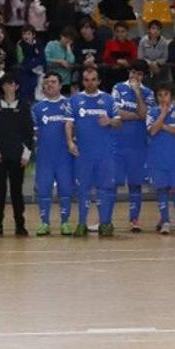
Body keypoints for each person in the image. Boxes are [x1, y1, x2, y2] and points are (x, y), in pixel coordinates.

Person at [66, 67, 121, 237]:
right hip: (84, 154)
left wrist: (110, 121)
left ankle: (105, 223)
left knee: (105, 189)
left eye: (93, 79)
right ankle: (82, 223)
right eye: (86, 80)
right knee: (83, 190)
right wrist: (69, 142)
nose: (90, 83)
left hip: (105, 154)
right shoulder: (74, 100)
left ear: (99, 81)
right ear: (83, 81)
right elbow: (68, 123)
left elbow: (119, 122)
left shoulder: (109, 100)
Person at [0, 75, 33, 236]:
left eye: (12, 84)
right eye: (6, 84)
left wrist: (26, 154)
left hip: (17, 156)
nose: (9, 87)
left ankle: (20, 225)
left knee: (16, 191)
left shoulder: (24, 106)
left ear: (17, 86)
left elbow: (29, 132)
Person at [111, 60, 154, 232]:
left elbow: (146, 116)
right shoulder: (118, 88)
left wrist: (137, 93)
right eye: (133, 72)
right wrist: (135, 115)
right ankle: (106, 219)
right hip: (118, 143)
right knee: (111, 183)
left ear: (143, 76)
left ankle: (134, 220)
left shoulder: (148, 93)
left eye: (139, 74)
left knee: (135, 184)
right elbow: (115, 112)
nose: (135, 76)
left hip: (138, 144)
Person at [31, 72, 75, 235]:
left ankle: (65, 223)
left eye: (53, 82)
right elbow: (35, 134)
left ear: (60, 85)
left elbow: (74, 129)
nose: (49, 85)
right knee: (44, 191)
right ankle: (44, 223)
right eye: (47, 82)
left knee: (65, 190)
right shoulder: (37, 108)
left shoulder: (69, 105)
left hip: (64, 157)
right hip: (45, 157)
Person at [146, 82, 175, 234]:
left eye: (165, 94)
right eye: (159, 95)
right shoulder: (152, 112)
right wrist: (163, 114)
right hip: (158, 157)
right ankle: (165, 221)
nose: (162, 98)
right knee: (162, 189)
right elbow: (152, 131)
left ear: (172, 95)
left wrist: (164, 127)